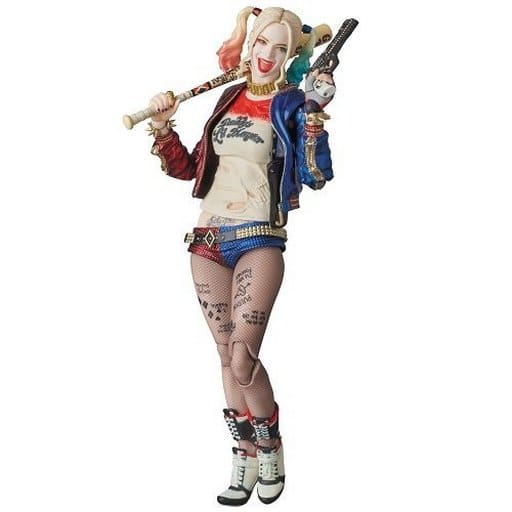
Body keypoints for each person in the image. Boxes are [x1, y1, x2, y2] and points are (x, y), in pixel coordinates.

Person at [146, 6, 335, 506]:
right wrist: (163, 127)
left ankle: (271, 447)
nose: (268, 54)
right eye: (262, 43)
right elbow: (189, 169)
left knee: (241, 356)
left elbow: (315, 175)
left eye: (281, 47)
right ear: (249, 45)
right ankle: (244, 454)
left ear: (291, 55)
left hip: (258, 237)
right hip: (207, 241)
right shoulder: (227, 99)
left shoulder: (292, 103)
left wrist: (315, 117)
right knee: (224, 358)